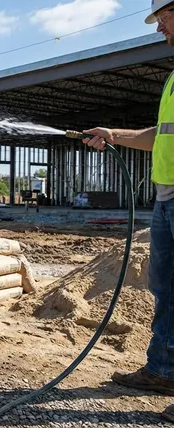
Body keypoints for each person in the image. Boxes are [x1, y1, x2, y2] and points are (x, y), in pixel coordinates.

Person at [82, 0, 174, 421]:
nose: (160, 30)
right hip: (166, 198)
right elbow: (161, 135)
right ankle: (164, 370)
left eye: (164, 19)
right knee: (165, 287)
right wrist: (114, 134)